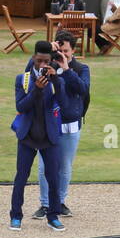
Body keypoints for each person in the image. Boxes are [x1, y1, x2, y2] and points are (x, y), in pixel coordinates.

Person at [9, 41, 64, 231]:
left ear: (51, 61)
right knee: (21, 177)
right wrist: (36, 90)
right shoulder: (22, 79)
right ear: (33, 58)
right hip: (27, 136)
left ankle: (53, 216)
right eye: (39, 61)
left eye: (46, 62)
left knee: (53, 178)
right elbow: (21, 107)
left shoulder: (56, 79)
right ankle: (16, 216)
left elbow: (63, 102)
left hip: (49, 137)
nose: (42, 66)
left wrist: (55, 79)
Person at [34, 30, 88, 221]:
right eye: (60, 51)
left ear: (73, 51)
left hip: (70, 125)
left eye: (66, 51)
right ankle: (46, 204)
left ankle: (61, 201)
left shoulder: (81, 68)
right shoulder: (45, 64)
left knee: (64, 166)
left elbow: (82, 89)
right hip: (47, 123)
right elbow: (27, 75)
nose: (62, 55)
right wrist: (45, 51)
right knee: (43, 167)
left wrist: (66, 70)